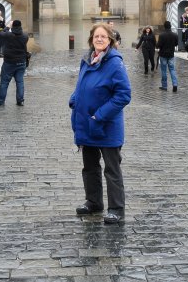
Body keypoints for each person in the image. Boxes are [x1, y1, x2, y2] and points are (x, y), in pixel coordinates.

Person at [69, 23, 131, 224]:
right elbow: (82, 85)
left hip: (106, 125)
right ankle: (94, 202)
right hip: (87, 124)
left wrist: (99, 116)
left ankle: (116, 209)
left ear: (110, 40)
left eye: (103, 37)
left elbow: (123, 95)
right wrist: (75, 98)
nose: (99, 39)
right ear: (91, 39)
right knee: (90, 167)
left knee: (112, 169)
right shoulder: (87, 59)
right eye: (96, 36)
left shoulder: (115, 63)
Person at [0, 19, 29, 107]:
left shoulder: (9, 35)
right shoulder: (25, 36)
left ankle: (0, 101)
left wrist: (8, 26)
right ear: (20, 26)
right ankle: (20, 101)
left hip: (9, 62)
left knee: (4, 82)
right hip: (21, 62)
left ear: (13, 26)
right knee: (20, 82)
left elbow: (1, 33)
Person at [156, 21, 179, 92]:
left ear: (164, 26)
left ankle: (164, 86)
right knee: (172, 70)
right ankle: (175, 84)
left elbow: (158, 45)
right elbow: (176, 44)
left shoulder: (161, 35)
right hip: (171, 54)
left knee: (164, 70)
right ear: (170, 26)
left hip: (163, 54)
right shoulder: (175, 35)